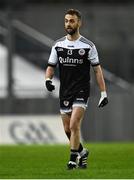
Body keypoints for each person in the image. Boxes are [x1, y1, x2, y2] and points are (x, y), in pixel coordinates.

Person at [45, 9, 108, 170]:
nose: (68, 24)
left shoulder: (88, 46)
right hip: (65, 91)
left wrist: (103, 93)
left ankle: (73, 159)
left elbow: (97, 70)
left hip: (81, 90)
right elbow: (51, 66)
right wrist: (48, 79)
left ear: (79, 23)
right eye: (66, 20)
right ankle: (82, 151)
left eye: (72, 21)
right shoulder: (58, 45)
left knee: (74, 125)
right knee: (67, 130)